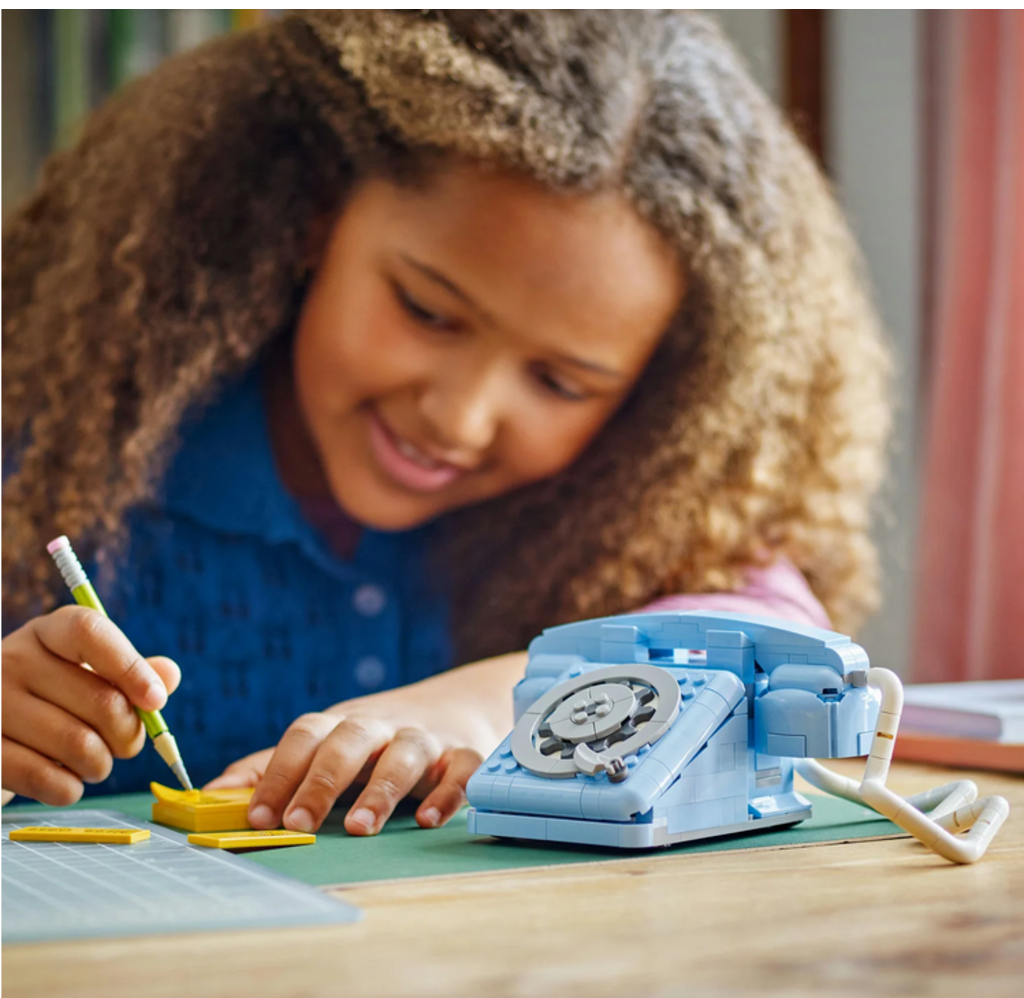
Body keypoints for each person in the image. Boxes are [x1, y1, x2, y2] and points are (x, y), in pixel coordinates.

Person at [1, 10, 890, 836]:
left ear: (661, 401)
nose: (459, 420)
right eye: (427, 312)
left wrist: (484, 706)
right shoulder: (63, 429)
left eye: (558, 381)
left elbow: (785, 643)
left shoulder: (636, 494)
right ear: (315, 216)